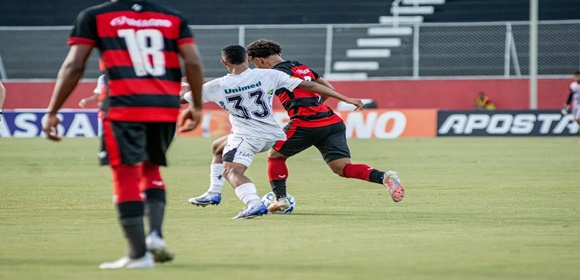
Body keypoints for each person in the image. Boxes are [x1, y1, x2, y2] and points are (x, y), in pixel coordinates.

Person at [42, 0, 204, 269]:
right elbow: (194, 62)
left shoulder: (95, 15)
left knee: (126, 173)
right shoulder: (172, 17)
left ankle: (138, 255)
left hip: (123, 106)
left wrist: (53, 109)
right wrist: (196, 105)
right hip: (164, 105)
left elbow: (74, 66)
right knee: (151, 168)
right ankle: (154, 237)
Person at [188, 39, 405, 213]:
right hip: (331, 121)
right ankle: (384, 177)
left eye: (254, 64)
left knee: (275, 156)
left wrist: (306, 111)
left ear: (259, 60)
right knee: (342, 168)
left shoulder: (273, 73)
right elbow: (325, 86)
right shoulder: (298, 65)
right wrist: (325, 104)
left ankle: (280, 199)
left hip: (305, 123)